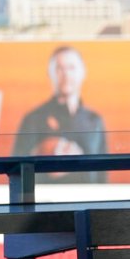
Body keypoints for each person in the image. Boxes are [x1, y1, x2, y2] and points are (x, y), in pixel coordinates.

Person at [12, 45, 108, 183]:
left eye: (71, 68)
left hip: (87, 201)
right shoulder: (34, 119)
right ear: (49, 73)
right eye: (59, 68)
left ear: (83, 72)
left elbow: (102, 174)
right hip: (47, 201)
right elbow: (18, 172)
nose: (66, 74)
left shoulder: (95, 120)